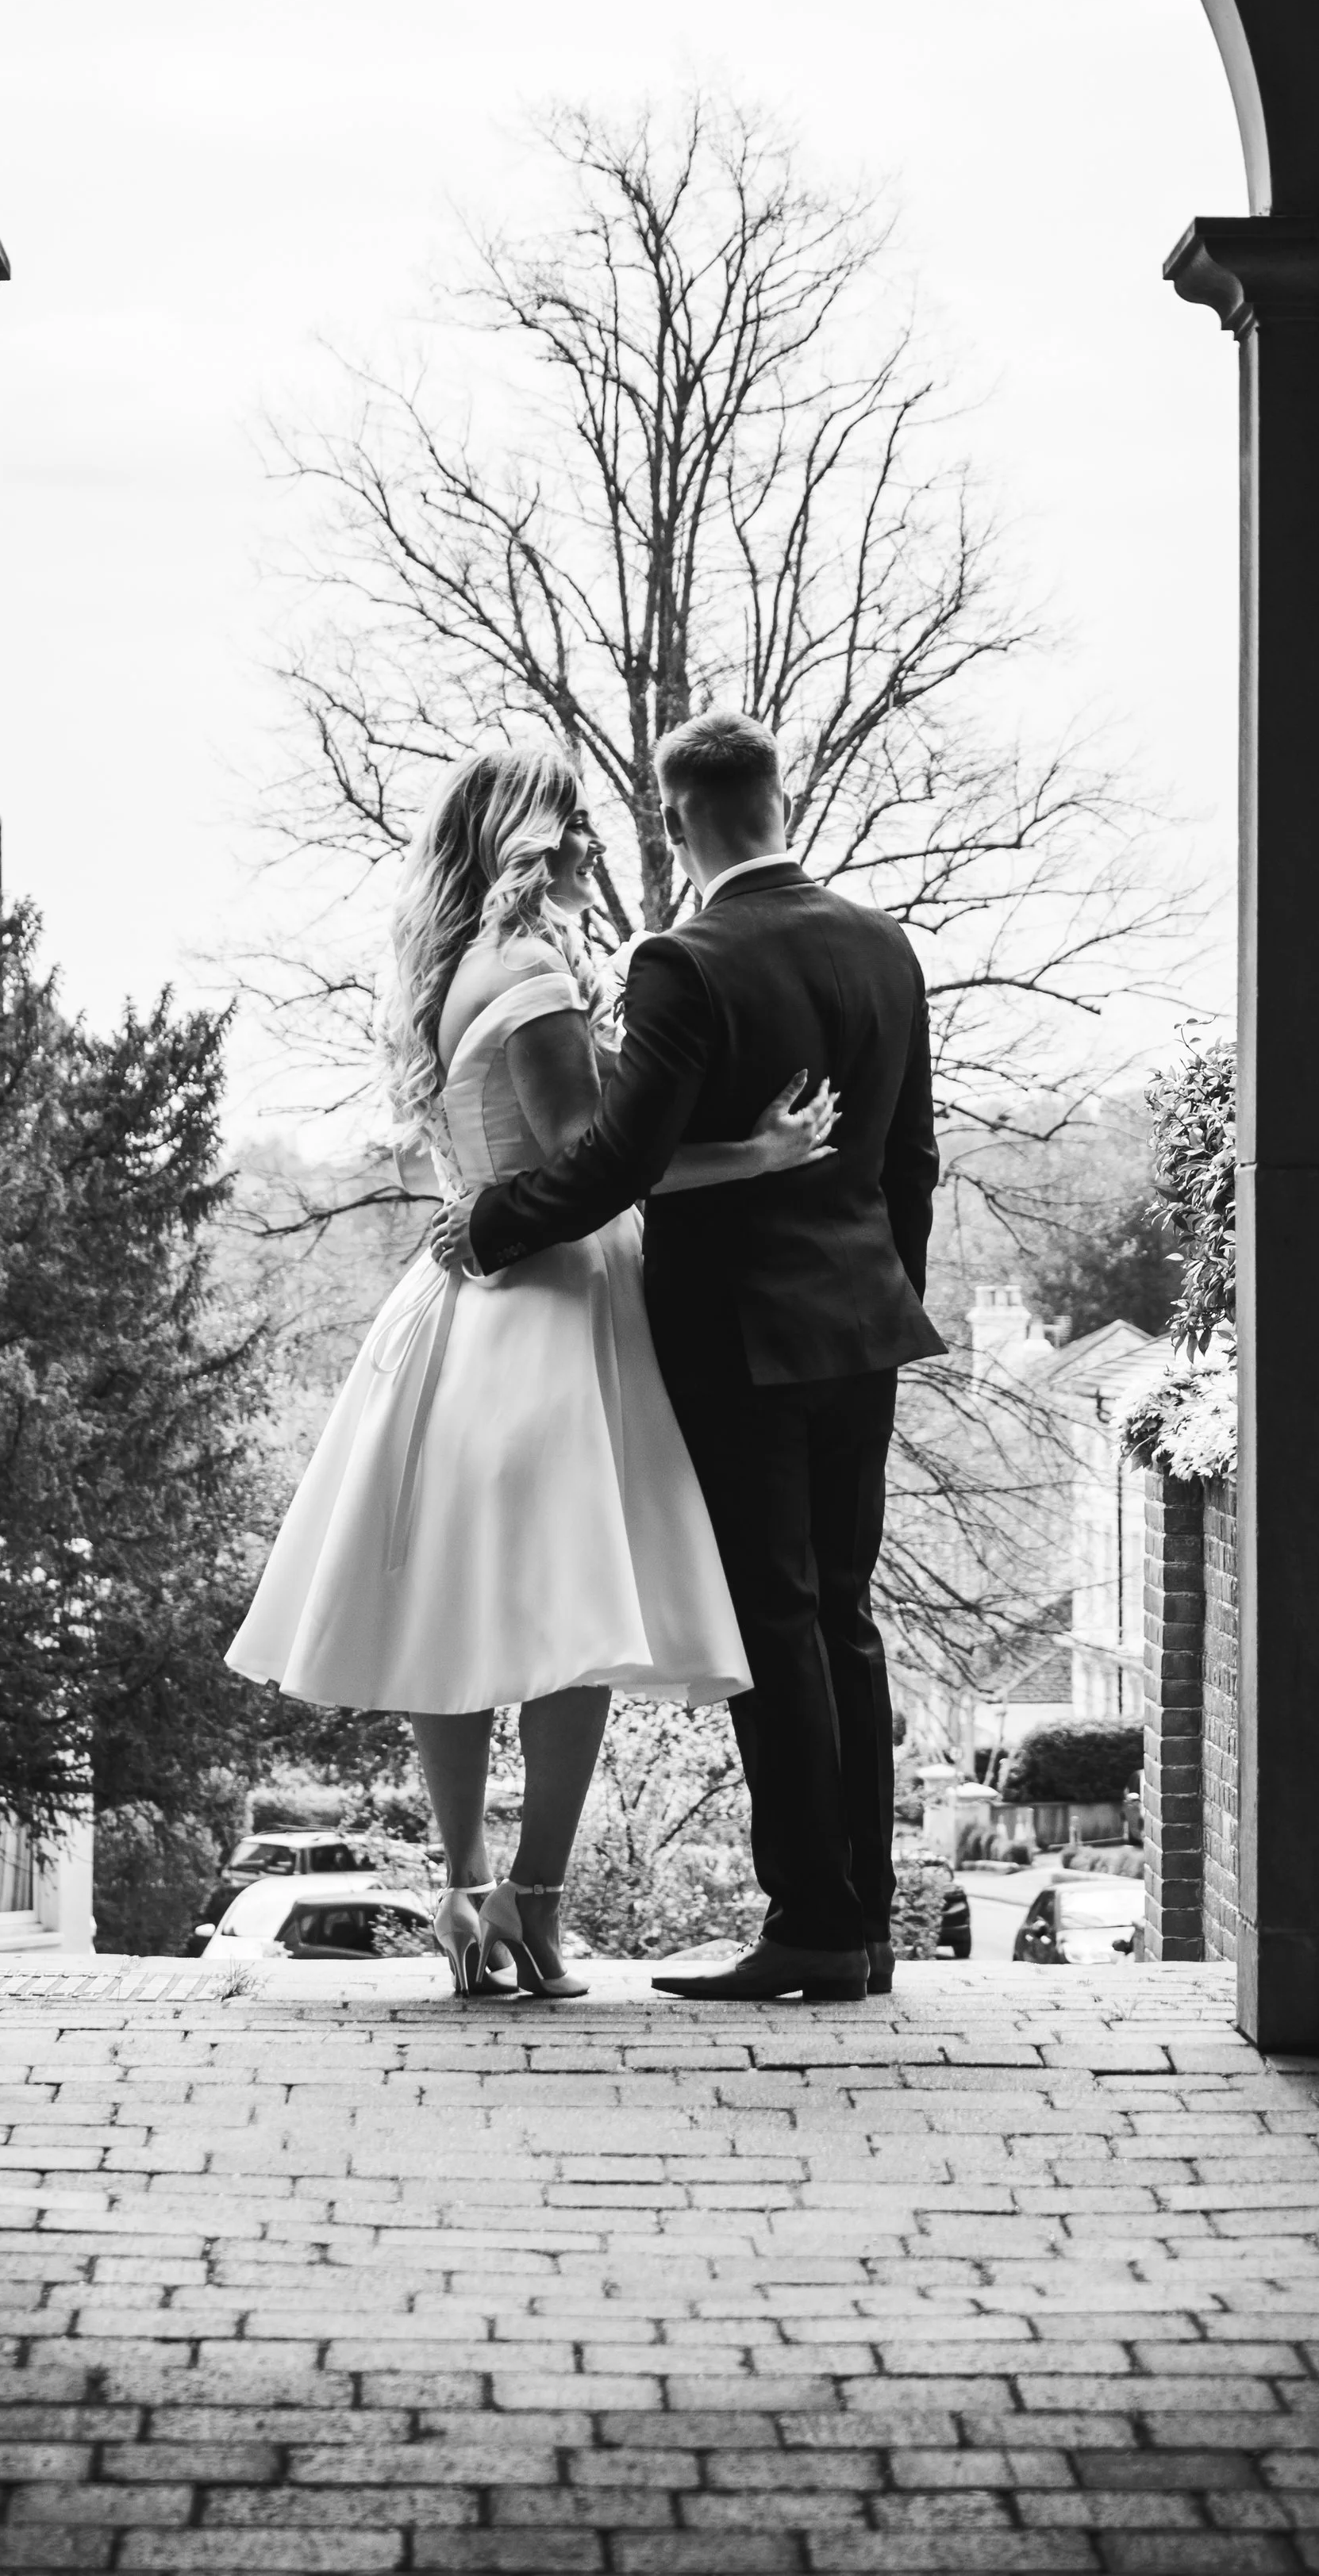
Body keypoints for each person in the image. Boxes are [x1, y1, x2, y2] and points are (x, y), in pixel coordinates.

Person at [224, 742, 834, 2000]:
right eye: (569, 830)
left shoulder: (450, 972)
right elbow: (596, 1157)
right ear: (524, 841)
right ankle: (537, 1905)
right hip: (555, 1304)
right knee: (567, 1619)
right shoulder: (536, 973)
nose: (589, 850)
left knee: (454, 1607)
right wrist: (760, 1154)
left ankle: (461, 1890)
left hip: (455, 1307)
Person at [433, 712, 944, 2004]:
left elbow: (617, 1159)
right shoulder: (886, 947)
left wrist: (489, 1222)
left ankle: (814, 1921)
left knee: (775, 1623)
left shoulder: (685, 960)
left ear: (678, 819)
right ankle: (865, 1920)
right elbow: (912, 1167)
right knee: (846, 1615)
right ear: (779, 792)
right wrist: (887, 1300)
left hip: (743, 1345)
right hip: (863, 1334)